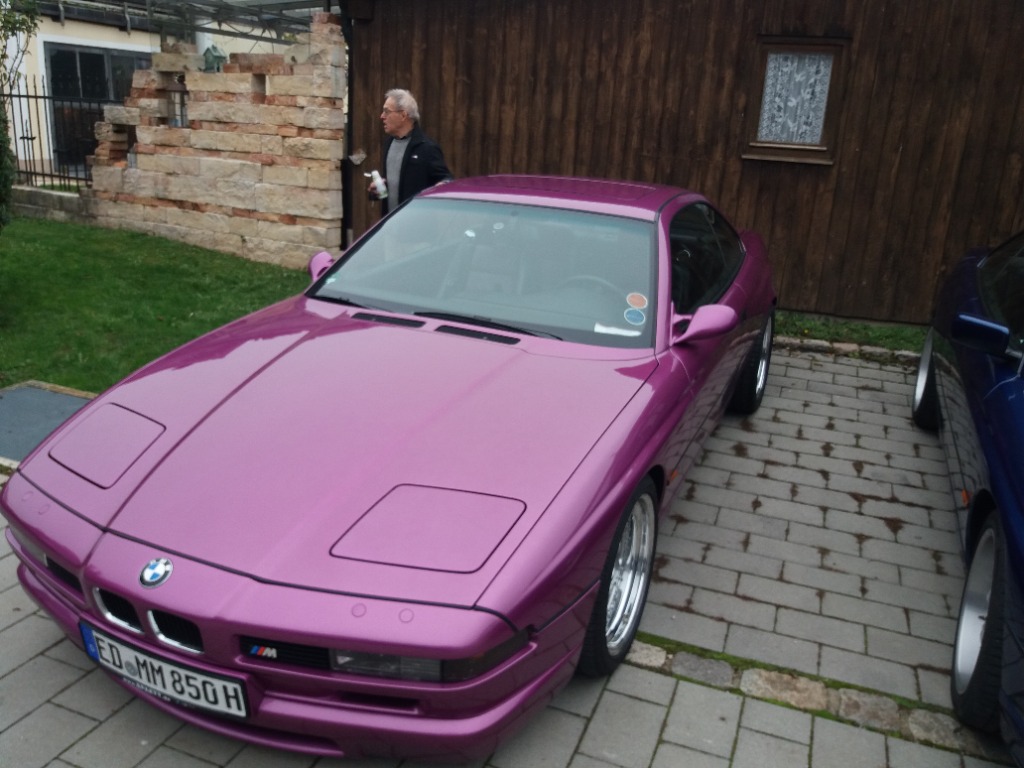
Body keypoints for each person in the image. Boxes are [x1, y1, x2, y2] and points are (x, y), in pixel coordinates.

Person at [370, 89, 452, 215]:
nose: (382, 116)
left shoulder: (427, 147)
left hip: (417, 223)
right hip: (391, 222)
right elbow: (395, 185)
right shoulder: (389, 143)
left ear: (403, 115)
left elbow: (446, 180)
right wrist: (377, 190)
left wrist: (442, 185)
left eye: (387, 111)